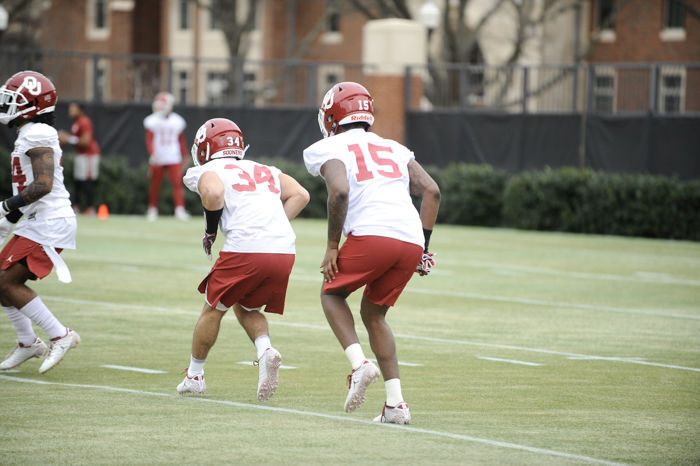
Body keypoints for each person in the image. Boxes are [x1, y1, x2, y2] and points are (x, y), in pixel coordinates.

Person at [303, 82, 440, 424]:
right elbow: (432, 192)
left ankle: (359, 365)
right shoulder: (394, 147)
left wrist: (333, 246)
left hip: (372, 235)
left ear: (332, 116)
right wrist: (423, 247)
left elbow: (339, 191)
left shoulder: (327, 147)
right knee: (374, 314)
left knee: (331, 294)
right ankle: (395, 405)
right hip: (409, 239)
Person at [177, 118, 309, 400]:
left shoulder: (208, 169)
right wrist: (273, 224)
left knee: (212, 309)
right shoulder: (265, 169)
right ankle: (265, 351)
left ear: (205, 148)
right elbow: (301, 194)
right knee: (246, 306)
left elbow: (213, 192)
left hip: (247, 249)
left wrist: (210, 231)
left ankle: (195, 376)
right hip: (283, 249)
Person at [0, 70, 80, 373]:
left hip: (50, 221)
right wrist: (11, 216)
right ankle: (28, 343)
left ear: (31, 105)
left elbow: (43, 185)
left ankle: (61, 334)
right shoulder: (30, 132)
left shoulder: (36, 133)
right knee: (2, 281)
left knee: (5, 280)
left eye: (14, 99)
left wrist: (7, 206)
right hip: (39, 219)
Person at [143, 92, 190, 221]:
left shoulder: (177, 121)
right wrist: (153, 154)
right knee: (155, 185)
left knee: (177, 184)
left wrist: (185, 155)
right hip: (158, 157)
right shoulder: (152, 120)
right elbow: (149, 139)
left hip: (173, 156)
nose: (159, 107)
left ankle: (180, 209)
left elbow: (181, 140)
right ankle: (152, 209)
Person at [58, 102, 101, 215]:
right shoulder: (76, 123)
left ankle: (91, 208)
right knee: (78, 181)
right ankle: (76, 207)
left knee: (86, 181)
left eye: (73, 109)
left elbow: (86, 142)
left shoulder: (84, 122)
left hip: (89, 154)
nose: (70, 112)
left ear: (80, 110)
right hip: (81, 154)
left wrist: (68, 139)